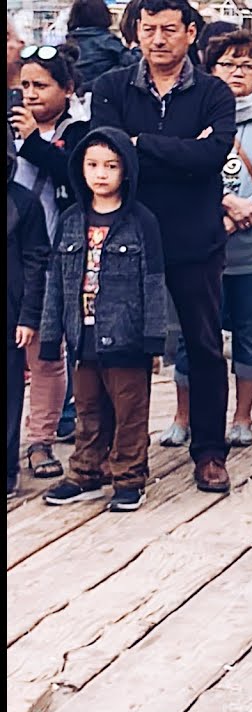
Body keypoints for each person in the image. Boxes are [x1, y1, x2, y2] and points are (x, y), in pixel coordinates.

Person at [90, 0, 238, 493]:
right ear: (135, 32)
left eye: (169, 29)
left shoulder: (214, 91)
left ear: (190, 33)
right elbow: (109, 155)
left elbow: (212, 155)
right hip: (127, 239)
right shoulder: (112, 87)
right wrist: (177, 150)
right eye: (148, 29)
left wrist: (143, 144)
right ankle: (118, 455)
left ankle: (211, 452)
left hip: (195, 238)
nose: (157, 39)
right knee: (118, 346)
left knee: (203, 346)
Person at [163, 31, 252, 449]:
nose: (237, 72)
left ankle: (243, 417)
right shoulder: (196, 112)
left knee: (251, 333)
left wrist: (241, 216)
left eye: (247, 65)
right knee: (191, 335)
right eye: (227, 64)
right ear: (211, 68)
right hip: (201, 247)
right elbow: (184, 168)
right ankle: (183, 415)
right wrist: (222, 204)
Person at [39, 128, 166, 512]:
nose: (101, 174)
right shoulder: (71, 220)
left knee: (130, 410)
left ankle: (129, 477)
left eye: (111, 166)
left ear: (126, 171)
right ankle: (86, 473)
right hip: (83, 333)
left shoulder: (142, 221)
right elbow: (56, 282)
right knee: (88, 407)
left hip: (126, 335)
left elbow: (154, 281)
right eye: (92, 165)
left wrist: (153, 337)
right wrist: (51, 335)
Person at [12, 44, 92, 480]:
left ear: (67, 88)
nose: (30, 94)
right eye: (24, 85)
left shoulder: (81, 131)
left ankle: (41, 439)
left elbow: (76, 175)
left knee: (48, 352)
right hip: (15, 253)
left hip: (60, 254)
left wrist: (31, 143)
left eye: (41, 85)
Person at [6, 126, 50, 499]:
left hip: (10, 312)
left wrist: (29, 315)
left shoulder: (23, 203)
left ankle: (7, 468)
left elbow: (37, 261)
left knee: (8, 395)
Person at [65, 0, 131, 93]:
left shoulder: (68, 44)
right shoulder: (107, 41)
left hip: (75, 95)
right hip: (105, 94)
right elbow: (132, 61)